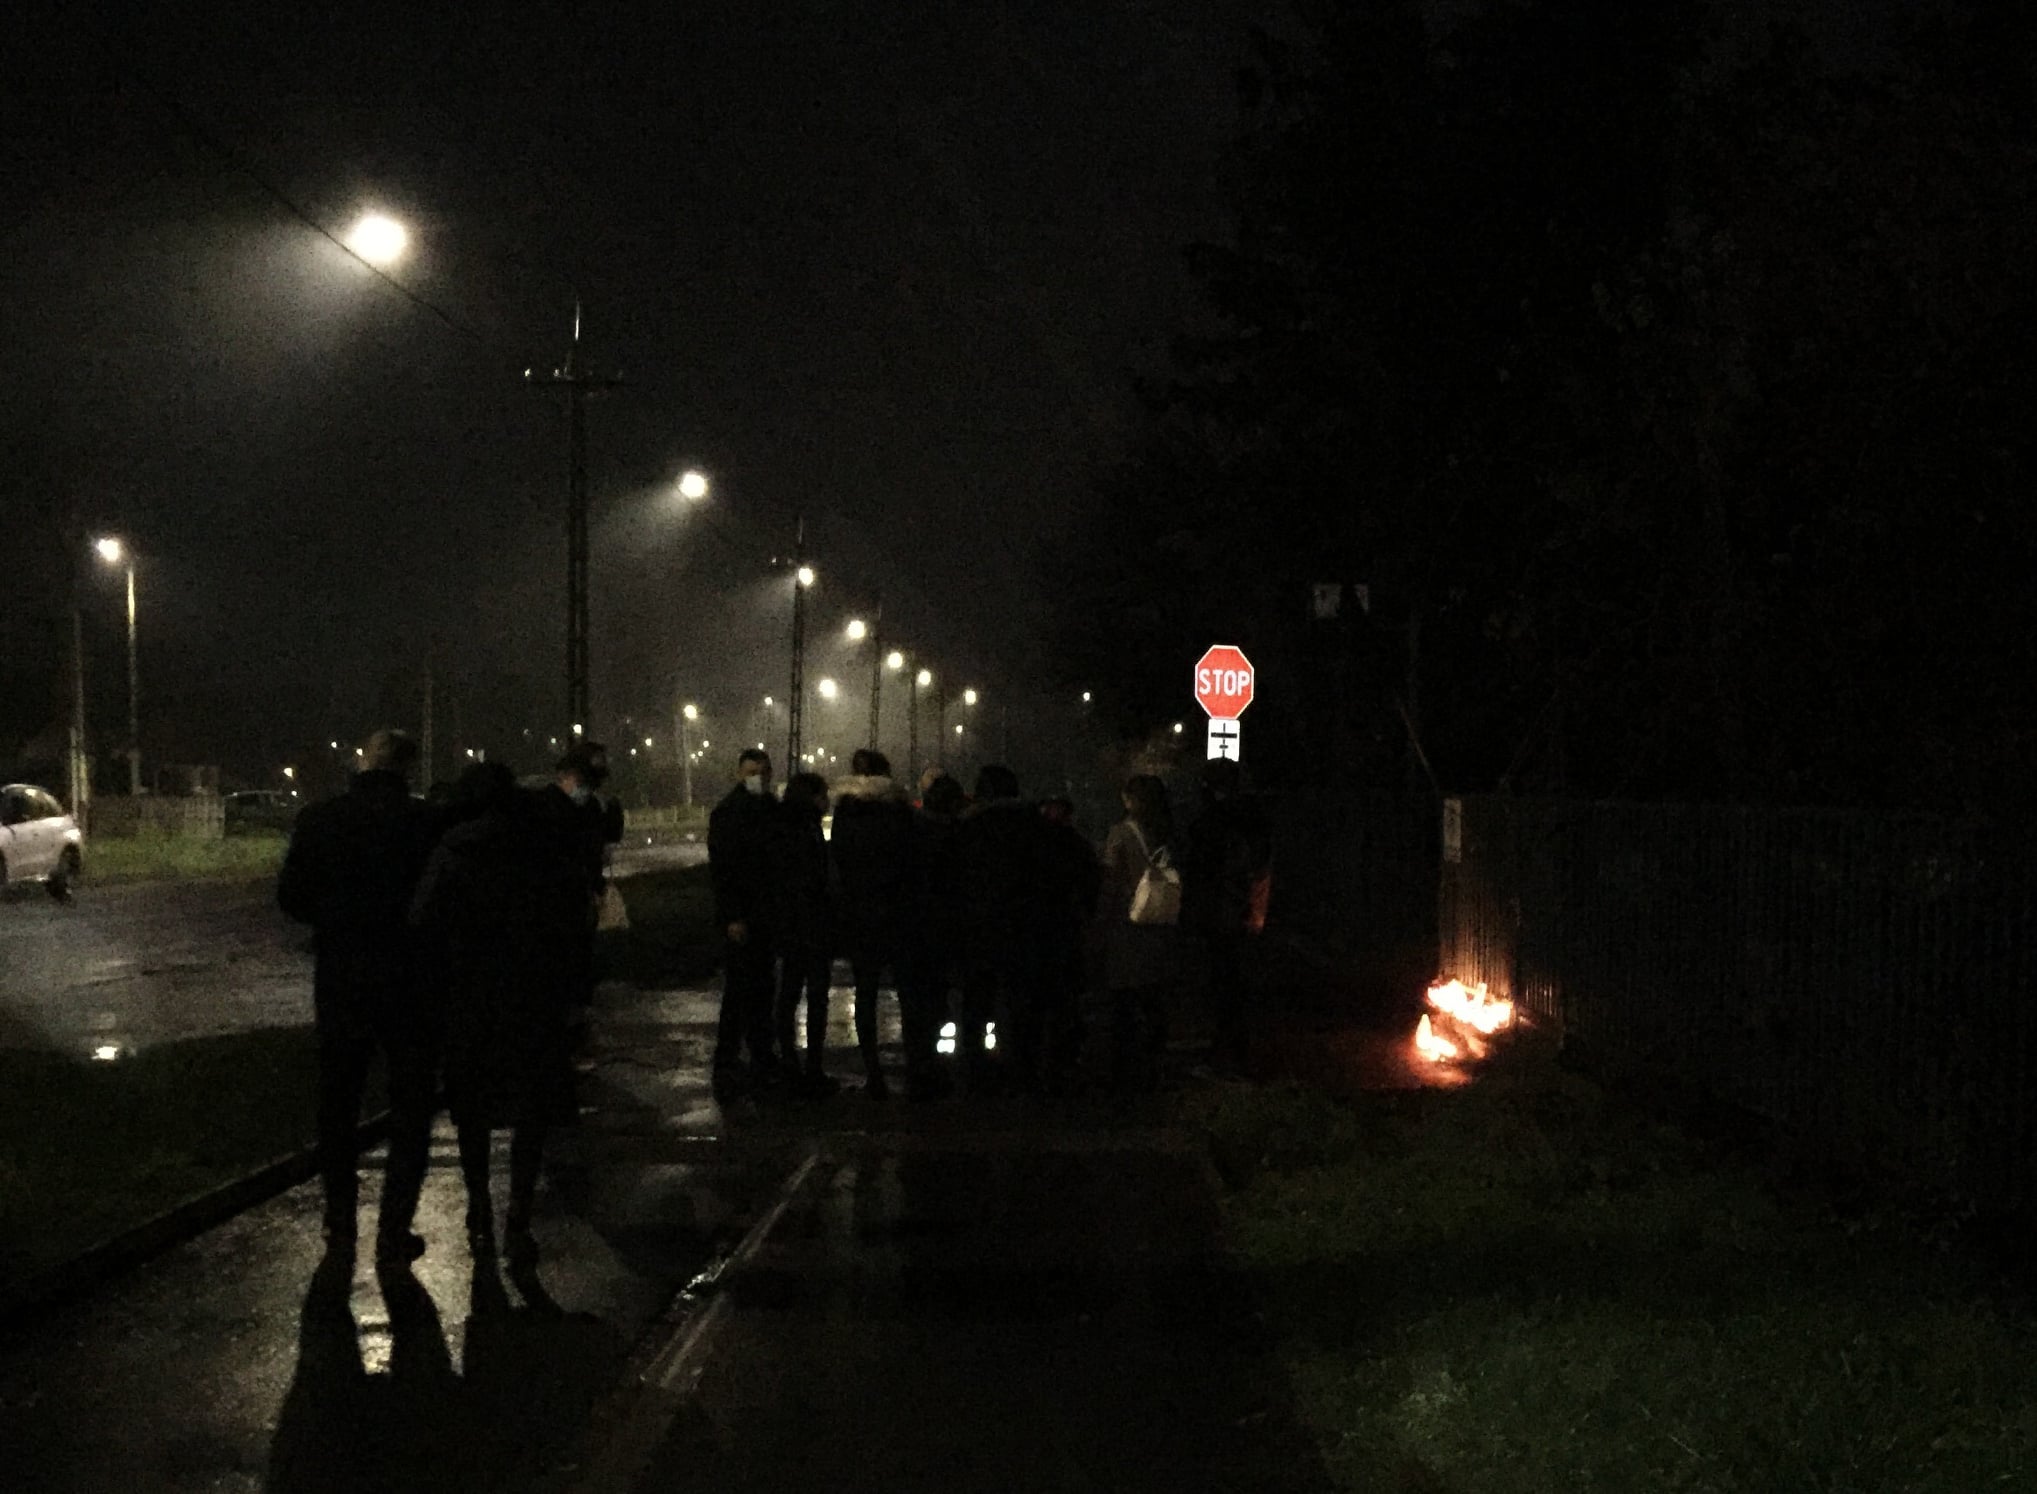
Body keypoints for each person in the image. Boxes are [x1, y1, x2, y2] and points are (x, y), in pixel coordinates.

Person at [409, 762, 585, 1265]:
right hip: (530, 994)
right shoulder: (540, 846)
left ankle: (480, 1207)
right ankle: (518, 1219)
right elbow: (569, 915)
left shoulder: (453, 849)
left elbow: (422, 920)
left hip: (469, 994)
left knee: (472, 1112)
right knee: (530, 1111)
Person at [277, 729, 440, 1265]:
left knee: (339, 1103)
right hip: (409, 979)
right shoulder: (424, 822)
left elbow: (291, 896)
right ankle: (394, 1227)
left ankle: (340, 1221)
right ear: (408, 769)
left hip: (342, 976)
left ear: (365, 761)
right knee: (411, 1104)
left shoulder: (321, 819)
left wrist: (336, 920)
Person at [953, 764, 1052, 1092]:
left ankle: (976, 1067)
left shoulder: (970, 827)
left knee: (977, 999)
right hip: (1025, 924)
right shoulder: (1035, 826)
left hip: (979, 924)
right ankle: (1023, 1067)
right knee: (1021, 999)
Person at [830, 748, 917, 1099]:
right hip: (898, 910)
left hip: (860, 912)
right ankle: (916, 1068)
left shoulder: (846, 810)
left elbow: (838, 858)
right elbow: (911, 857)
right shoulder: (899, 809)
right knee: (908, 992)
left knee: (865, 993)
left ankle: (873, 1073)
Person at [1183, 758, 1273, 1072]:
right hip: (1244, 912)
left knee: (1222, 982)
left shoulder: (1211, 822)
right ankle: (1238, 1051)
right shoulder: (1254, 818)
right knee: (1238, 983)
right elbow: (1262, 868)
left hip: (1219, 912)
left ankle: (1225, 1053)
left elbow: (1200, 870)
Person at [1100, 774, 1182, 1093]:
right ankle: (1154, 1063)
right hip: (1160, 922)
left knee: (1123, 999)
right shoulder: (1168, 832)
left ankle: (1124, 1070)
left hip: (1128, 924)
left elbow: (1110, 880)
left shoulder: (1120, 833)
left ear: (1131, 799)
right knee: (1154, 998)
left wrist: (1100, 922)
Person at [708, 748, 781, 1095]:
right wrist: (732, 916)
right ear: (739, 773)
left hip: (764, 913)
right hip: (743, 915)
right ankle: (727, 1059)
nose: (759, 778)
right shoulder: (729, 812)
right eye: (753, 772)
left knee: (763, 988)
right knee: (739, 989)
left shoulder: (768, 807)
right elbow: (723, 871)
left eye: (763, 772)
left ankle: (760, 1054)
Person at [899, 771, 967, 1100]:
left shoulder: (909, 832)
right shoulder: (957, 836)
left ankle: (918, 1066)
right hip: (944, 928)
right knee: (938, 1001)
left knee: (914, 1003)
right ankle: (936, 1067)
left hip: (912, 926)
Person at [773, 771, 838, 1095]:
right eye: (823, 795)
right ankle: (809, 1068)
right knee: (812, 996)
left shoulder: (787, 825)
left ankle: (793, 1064)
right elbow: (810, 877)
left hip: (793, 925)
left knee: (791, 994)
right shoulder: (804, 829)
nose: (828, 801)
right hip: (809, 924)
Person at [1038, 795, 1102, 1088]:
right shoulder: (1077, 845)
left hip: (1048, 929)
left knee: (1051, 995)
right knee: (1067, 996)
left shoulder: (1038, 845)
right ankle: (1065, 1054)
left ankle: (1052, 1056)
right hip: (1067, 927)